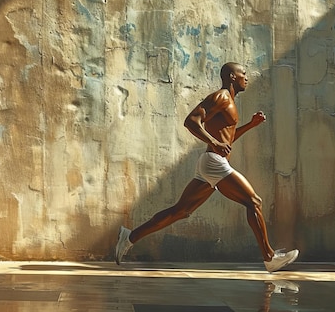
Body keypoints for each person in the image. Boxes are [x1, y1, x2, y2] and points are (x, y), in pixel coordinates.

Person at [114, 62, 299, 273]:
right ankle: (269, 257)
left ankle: (129, 237)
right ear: (231, 76)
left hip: (211, 162)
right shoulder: (221, 97)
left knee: (180, 211)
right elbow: (191, 121)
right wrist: (214, 142)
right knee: (253, 201)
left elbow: (227, 140)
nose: (246, 78)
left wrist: (249, 125)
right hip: (214, 163)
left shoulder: (229, 102)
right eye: (243, 74)